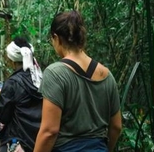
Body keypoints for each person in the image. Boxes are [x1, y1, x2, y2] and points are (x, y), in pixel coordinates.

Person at [33, 10, 122, 152]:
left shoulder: (55, 73)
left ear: (57, 38)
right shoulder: (106, 74)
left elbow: (49, 131)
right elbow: (116, 126)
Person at [0, 37, 43, 152]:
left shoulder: (12, 83)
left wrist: (3, 97)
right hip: (41, 139)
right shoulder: (41, 78)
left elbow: (0, 115)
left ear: (12, 61)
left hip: (18, 140)